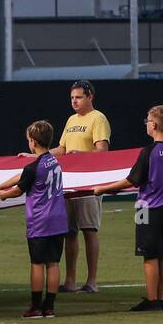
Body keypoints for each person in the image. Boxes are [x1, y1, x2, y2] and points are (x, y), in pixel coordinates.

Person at [94, 106, 163, 312]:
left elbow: (131, 180)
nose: (146, 124)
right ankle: (161, 299)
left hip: (148, 207)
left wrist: (103, 189)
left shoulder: (149, 151)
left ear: (153, 125)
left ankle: (152, 300)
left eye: (147, 121)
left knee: (149, 254)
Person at [0, 121, 68, 319]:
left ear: (33, 142)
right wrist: (1, 185)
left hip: (40, 220)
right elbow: (24, 176)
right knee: (53, 263)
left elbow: (19, 189)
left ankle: (35, 307)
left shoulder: (33, 167)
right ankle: (49, 307)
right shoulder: (54, 161)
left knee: (37, 263)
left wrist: (3, 194)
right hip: (59, 218)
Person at [51, 79, 110, 293]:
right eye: (72, 98)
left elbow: (102, 150)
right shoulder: (70, 120)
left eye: (78, 97)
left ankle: (91, 281)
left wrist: (81, 156)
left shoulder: (98, 118)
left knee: (89, 230)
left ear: (90, 97)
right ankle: (70, 281)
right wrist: (37, 154)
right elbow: (61, 148)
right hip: (68, 183)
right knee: (69, 232)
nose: (74, 101)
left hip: (89, 181)